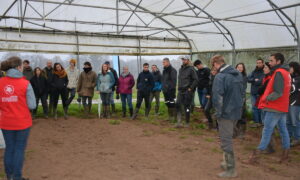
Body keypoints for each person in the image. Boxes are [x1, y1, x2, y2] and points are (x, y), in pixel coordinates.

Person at [247, 53, 291, 164]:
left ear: (278, 61)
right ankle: (286, 153)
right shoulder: (286, 73)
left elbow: (278, 92)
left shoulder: (279, 73)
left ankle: (256, 155)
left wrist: (267, 98)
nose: (269, 63)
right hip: (282, 106)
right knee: (283, 129)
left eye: (271, 61)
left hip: (274, 107)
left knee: (267, 130)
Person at [0, 56, 36, 180]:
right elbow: (32, 105)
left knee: (9, 148)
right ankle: (17, 177)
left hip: (6, 123)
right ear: (18, 67)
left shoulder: (0, 82)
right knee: (19, 149)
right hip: (22, 122)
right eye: (22, 66)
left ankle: (9, 175)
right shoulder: (25, 83)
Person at [211, 55, 243, 178]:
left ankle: (231, 169)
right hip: (236, 112)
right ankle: (225, 162)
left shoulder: (220, 76)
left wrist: (218, 114)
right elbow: (242, 92)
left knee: (226, 140)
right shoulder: (238, 74)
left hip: (226, 113)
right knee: (227, 137)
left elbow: (217, 98)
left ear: (215, 64)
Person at [256, 62, 275, 154]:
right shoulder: (266, 78)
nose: (264, 69)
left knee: (267, 126)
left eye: (266, 67)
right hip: (264, 103)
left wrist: (260, 88)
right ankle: (268, 146)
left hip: (267, 104)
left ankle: (269, 147)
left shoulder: (270, 79)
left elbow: (261, 90)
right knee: (267, 126)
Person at [175, 56, 198, 128]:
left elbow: (196, 80)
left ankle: (187, 122)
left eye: (184, 59)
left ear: (188, 60)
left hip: (187, 91)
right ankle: (179, 122)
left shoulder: (191, 69)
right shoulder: (180, 69)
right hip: (180, 90)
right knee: (178, 104)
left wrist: (190, 88)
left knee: (187, 107)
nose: (183, 61)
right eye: (182, 60)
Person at [248, 58, 265, 125]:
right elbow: (248, 79)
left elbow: (262, 81)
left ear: (262, 63)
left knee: (260, 107)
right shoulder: (254, 71)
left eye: (260, 62)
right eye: (257, 63)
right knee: (254, 107)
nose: (258, 64)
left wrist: (255, 81)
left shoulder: (264, 71)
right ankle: (256, 121)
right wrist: (254, 80)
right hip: (253, 92)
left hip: (260, 93)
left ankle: (261, 122)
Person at [287, 62, 300, 147]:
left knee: (294, 121)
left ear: (294, 68)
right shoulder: (292, 77)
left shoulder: (297, 78)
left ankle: (297, 138)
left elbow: (292, 89)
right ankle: (290, 136)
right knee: (288, 121)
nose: (289, 69)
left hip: (294, 103)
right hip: (289, 102)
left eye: (290, 68)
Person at [234, 63, 248, 138]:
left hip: (241, 97)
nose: (239, 68)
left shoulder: (244, 77)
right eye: (238, 67)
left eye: (241, 67)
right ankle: (235, 131)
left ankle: (241, 132)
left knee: (242, 114)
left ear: (243, 69)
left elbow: (243, 88)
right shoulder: (233, 76)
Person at [162, 57, 177, 122]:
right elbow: (163, 80)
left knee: (172, 103)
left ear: (168, 62)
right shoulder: (164, 70)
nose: (163, 63)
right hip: (165, 90)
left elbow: (173, 81)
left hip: (171, 90)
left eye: (164, 62)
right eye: (163, 62)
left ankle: (173, 117)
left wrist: (169, 88)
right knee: (167, 103)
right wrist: (163, 87)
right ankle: (170, 116)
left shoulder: (173, 70)